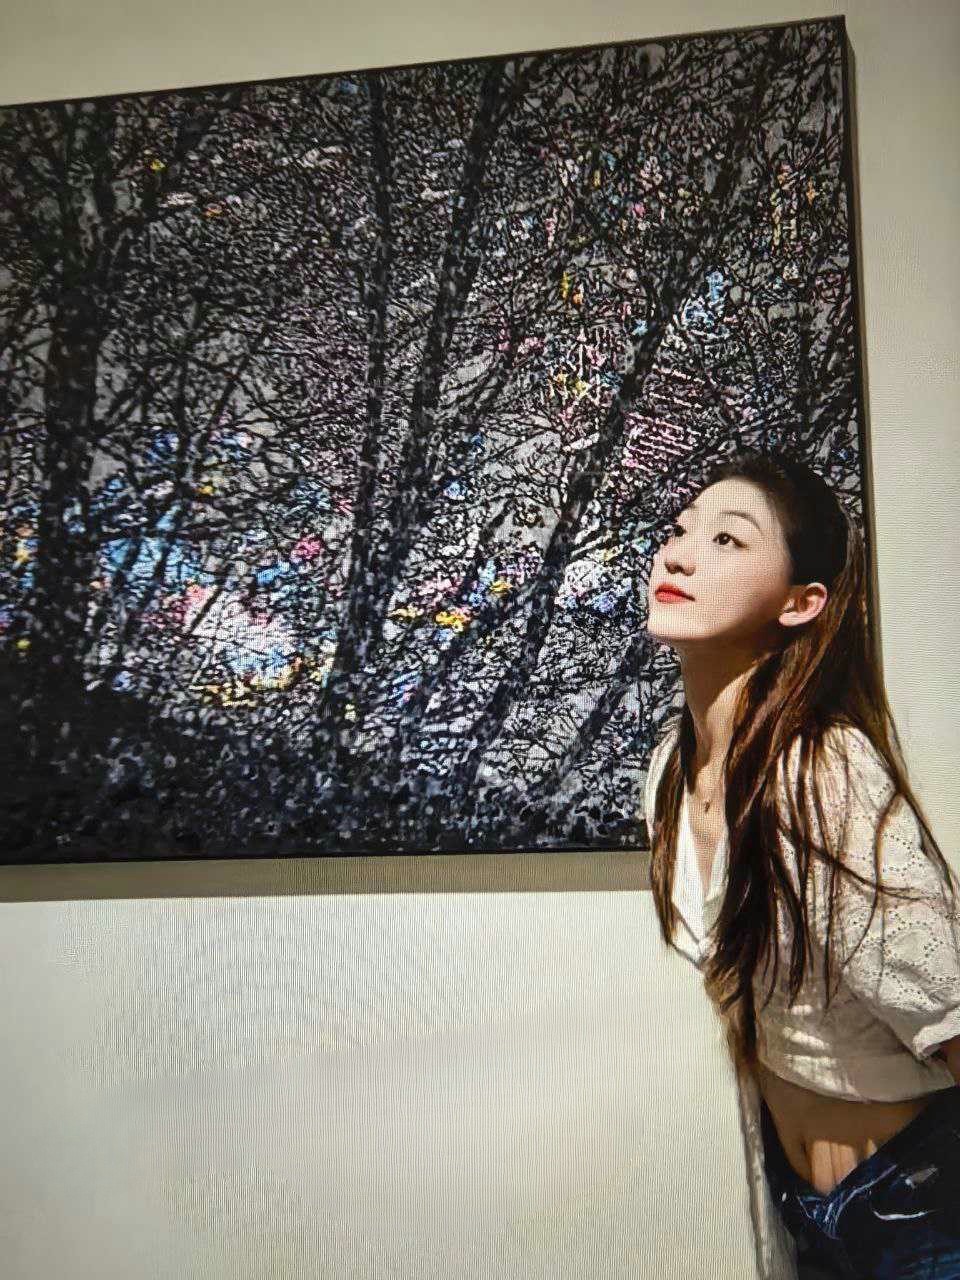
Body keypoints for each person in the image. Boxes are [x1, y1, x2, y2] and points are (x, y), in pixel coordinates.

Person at [642, 447, 960, 1280]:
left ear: (801, 601)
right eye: (679, 531)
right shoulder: (673, 769)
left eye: (726, 540)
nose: (678, 555)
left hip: (920, 1207)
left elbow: (949, 1012)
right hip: (804, 1208)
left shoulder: (821, 769)